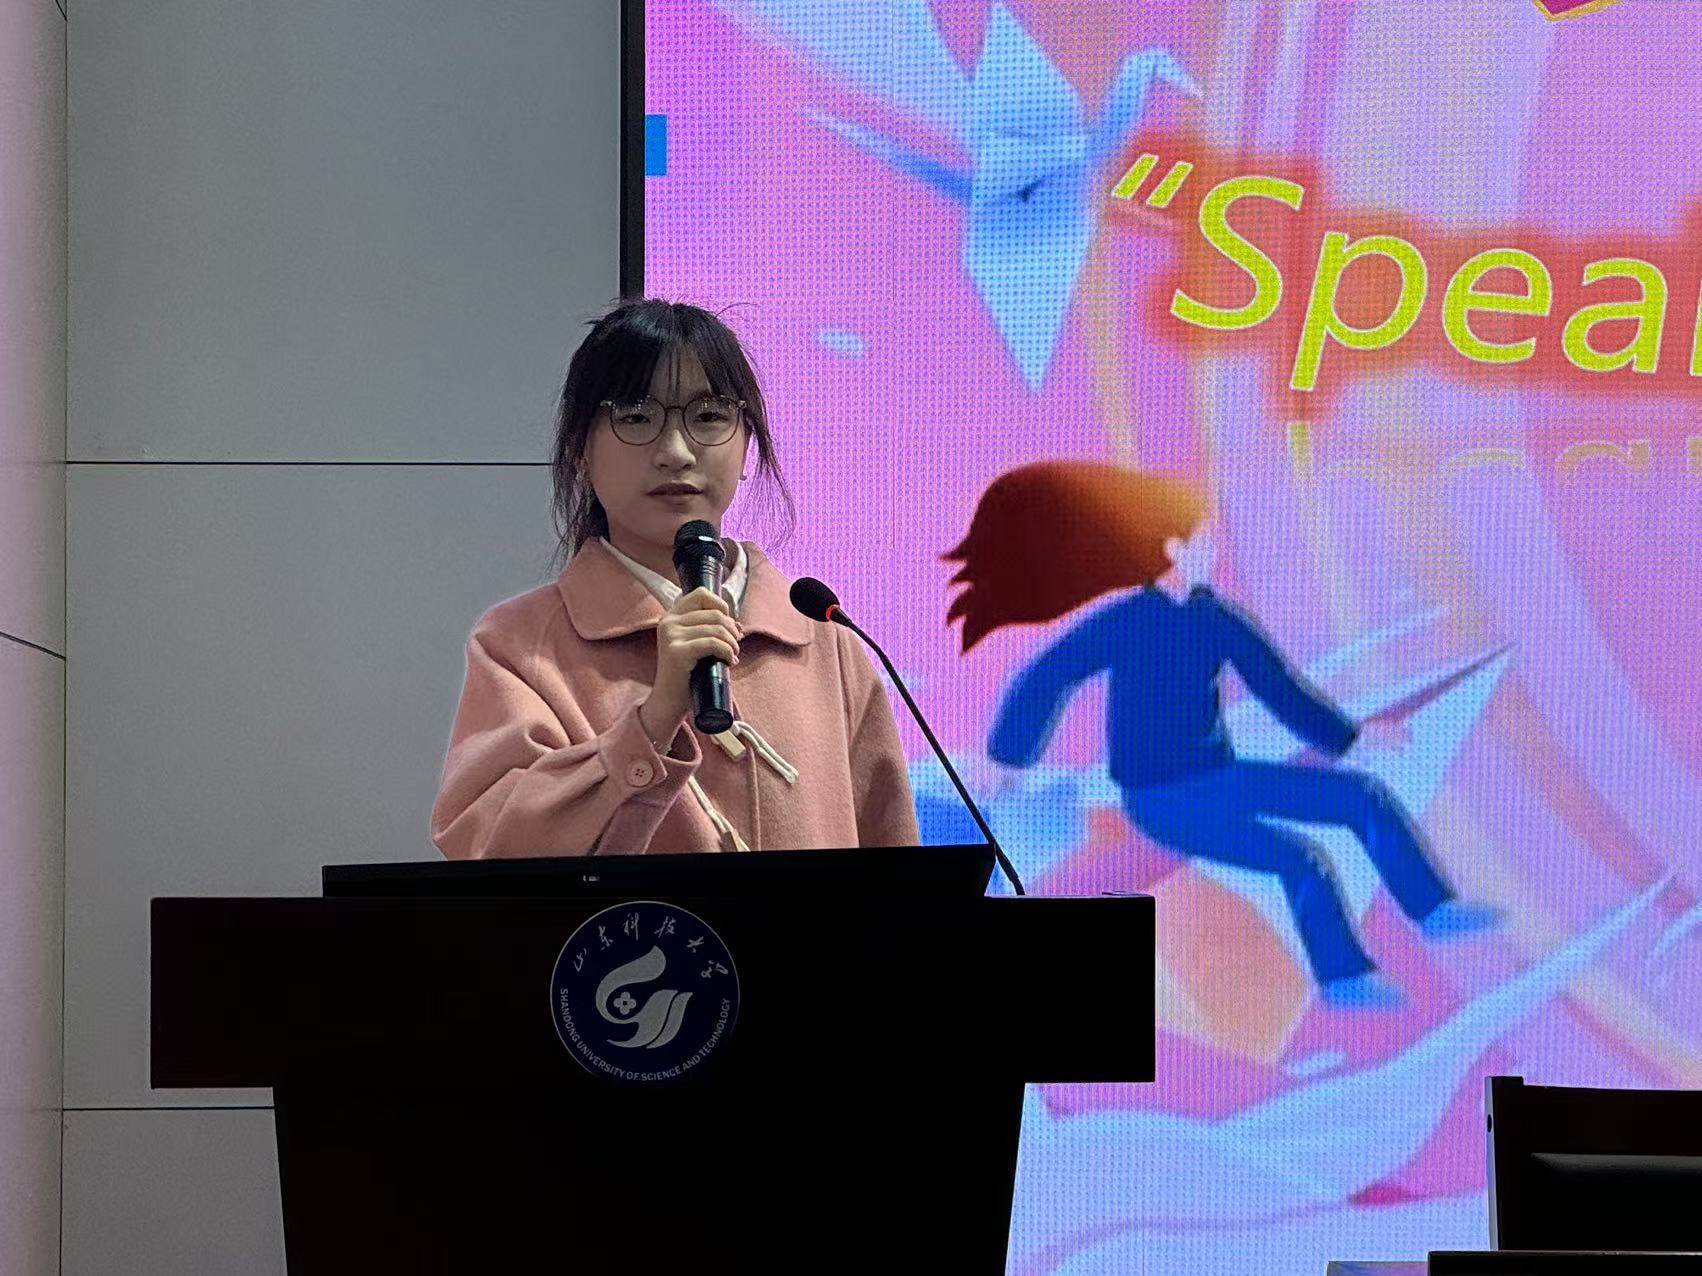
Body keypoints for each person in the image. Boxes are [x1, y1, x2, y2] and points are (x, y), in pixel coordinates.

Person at [947, 460, 1501, 1008]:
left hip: (1219, 775)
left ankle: (1435, 910)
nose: (1215, 549)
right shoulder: (1127, 620)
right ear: (1173, 549)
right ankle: (1344, 979)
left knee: (1364, 796)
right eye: (1204, 540)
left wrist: (1352, 740)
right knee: (1300, 859)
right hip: (1159, 800)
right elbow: (1047, 674)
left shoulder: (1218, 619)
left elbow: (1279, 687)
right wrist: (1006, 760)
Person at [431, 300, 919, 858]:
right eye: (636, 416)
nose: (676, 452)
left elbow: (896, 870)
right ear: (581, 448)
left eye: (708, 416)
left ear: (746, 445)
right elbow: (488, 848)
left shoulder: (823, 637)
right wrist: (653, 719)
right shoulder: (519, 645)